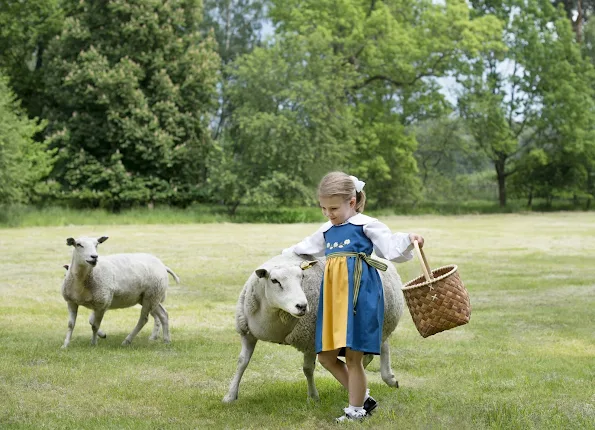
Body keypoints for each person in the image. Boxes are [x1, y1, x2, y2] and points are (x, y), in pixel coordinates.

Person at [283, 171, 424, 422]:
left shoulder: (366, 225)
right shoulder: (327, 230)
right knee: (325, 356)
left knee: (353, 355)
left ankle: (356, 411)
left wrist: (410, 240)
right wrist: (281, 259)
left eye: (333, 208)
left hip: (361, 296)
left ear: (351, 202)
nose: (328, 213)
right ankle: (362, 397)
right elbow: (302, 249)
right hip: (334, 300)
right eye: (324, 208)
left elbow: (390, 246)